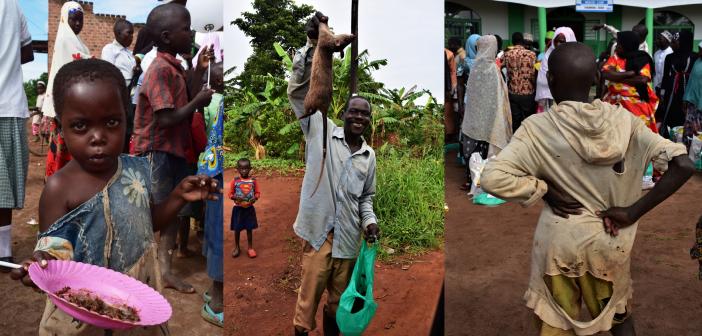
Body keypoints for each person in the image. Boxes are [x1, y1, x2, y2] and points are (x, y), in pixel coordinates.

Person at [481, 42, 694, 336]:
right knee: (619, 320)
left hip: (558, 244)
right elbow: (683, 165)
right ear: (596, 78)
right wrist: (631, 213)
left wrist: (544, 189)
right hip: (610, 243)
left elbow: (491, 177)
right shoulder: (624, 120)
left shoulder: (537, 128)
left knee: (555, 325)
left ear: (551, 81)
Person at [9, 58, 219, 335]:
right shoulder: (60, 187)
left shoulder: (136, 170)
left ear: (126, 120)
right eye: (81, 126)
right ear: (61, 129)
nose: (98, 137)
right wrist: (38, 266)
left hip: (135, 302)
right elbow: (52, 249)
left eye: (111, 122)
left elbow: (146, 222)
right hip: (82, 311)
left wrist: (178, 196)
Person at [288, 12, 380, 336]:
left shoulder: (369, 157)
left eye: (364, 114)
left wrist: (369, 222)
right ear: (343, 114)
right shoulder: (320, 130)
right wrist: (313, 44)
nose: (358, 117)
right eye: (353, 111)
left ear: (368, 121)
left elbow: (366, 197)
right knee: (305, 311)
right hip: (318, 238)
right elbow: (299, 93)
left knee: (336, 306)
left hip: (349, 242)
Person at [131, 3, 214, 294]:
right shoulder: (158, 71)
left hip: (173, 150)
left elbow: (185, 96)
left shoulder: (174, 67)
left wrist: (197, 68)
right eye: (185, 27)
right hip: (156, 152)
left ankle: (164, 272)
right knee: (154, 213)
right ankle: (143, 274)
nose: (191, 32)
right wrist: (197, 104)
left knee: (173, 210)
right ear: (167, 36)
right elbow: (166, 118)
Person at [0, 0, 34, 273]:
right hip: (8, 104)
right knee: (5, 186)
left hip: (9, 104)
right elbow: (28, 53)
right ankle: (3, 251)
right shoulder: (13, 6)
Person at [43, 1, 92, 178]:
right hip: (66, 107)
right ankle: (60, 184)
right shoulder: (65, 40)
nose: (78, 24)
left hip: (75, 106)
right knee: (66, 147)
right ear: (65, 19)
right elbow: (77, 63)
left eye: (80, 20)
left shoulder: (79, 42)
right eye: (74, 20)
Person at [197, 61, 225, 327]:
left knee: (218, 236)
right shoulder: (221, 103)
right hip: (221, 175)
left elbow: (214, 141)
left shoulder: (217, 103)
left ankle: (217, 298)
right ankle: (217, 298)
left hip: (217, 173)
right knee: (219, 237)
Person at [461, 34, 512, 173]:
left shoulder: (475, 68)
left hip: (474, 117)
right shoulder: (493, 70)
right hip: (490, 118)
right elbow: (499, 96)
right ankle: (485, 179)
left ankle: (471, 178)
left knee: (473, 151)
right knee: (486, 150)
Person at [657, 31, 698, 137]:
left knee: (686, 115)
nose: (672, 44)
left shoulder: (695, 57)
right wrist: (662, 93)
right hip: (672, 92)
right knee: (672, 114)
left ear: (683, 43)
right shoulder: (670, 57)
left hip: (688, 90)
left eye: (675, 42)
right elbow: (665, 77)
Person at [535, 27, 576, 113]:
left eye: (561, 41)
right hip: (549, 95)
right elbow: (543, 79)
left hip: (568, 96)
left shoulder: (574, 56)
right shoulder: (548, 55)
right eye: (556, 41)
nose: (558, 44)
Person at [501, 32, 537, 131]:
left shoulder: (507, 54)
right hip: (528, 93)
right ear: (523, 41)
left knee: (515, 122)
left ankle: (516, 142)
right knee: (529, 121)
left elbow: (498, 65)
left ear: (512, 42)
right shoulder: (532, 55)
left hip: (513, 93)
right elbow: (536, 73)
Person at [229, 158, 260, 258]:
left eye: (246, 169)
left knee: (249, 228)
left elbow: (257, 193)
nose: (244, 171)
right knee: (237, 229)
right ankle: (237, 247)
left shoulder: (253, 181)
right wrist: (235, 197)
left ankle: (250, 248)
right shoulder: (235, 181)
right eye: (241, 169)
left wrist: (254, 199)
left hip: (249, 208)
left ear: (250, 169)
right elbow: (230, 194)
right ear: (237, 169)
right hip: (238, 209)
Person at [682, 42, 702, 148]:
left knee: (699, 131)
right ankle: (689, 151)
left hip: (700, 104)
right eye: (699, 49)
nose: (699, 52)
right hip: (692, 101)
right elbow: (691, 82)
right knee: (690, 128)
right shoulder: (697, 62)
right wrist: (686, 98)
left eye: (700, 49)